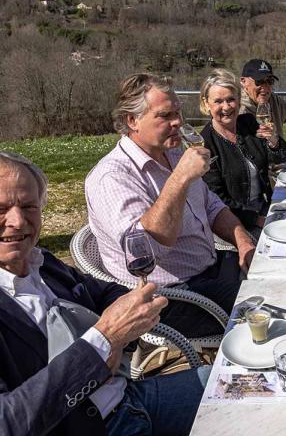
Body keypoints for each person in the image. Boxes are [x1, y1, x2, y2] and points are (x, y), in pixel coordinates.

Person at [0, 151, 210, 436]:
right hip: (90, 428)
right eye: (2, 209)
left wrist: (119, 339)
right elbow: (8, 423)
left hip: (130, 400)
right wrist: (102, 343)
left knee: (245, 388)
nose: (18, 220)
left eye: (28, 206)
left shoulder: (41, 262)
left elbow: (106, 292)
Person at [85, 73, 255, 338]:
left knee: (278, 275)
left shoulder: (173, 153)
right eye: (165, 116)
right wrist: (180, 178)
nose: (177, 122)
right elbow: (146, 253)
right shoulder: (112, 177)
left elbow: (211, 206)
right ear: (133, 120)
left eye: (178, 112)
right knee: (267, 312)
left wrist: (243, 242)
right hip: (173, 298)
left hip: (212, 271)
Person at [199, 69, 286, 233]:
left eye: (231, 99)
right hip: (234, 225)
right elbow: (216, 200)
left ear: (239, 100)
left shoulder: (247, 123)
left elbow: (281, 157)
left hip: (265, 208)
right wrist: (256, 219)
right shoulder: (205, 143)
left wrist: (273, 140)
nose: (226, 107)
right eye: (218, 101)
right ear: (206, 104)